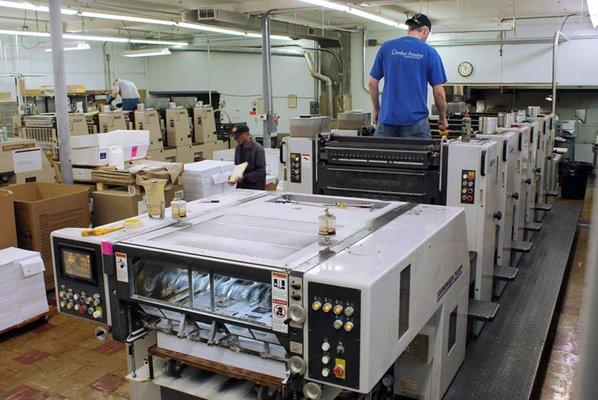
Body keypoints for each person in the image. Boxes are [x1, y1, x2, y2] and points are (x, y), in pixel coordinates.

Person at [368, 13, 448, 139]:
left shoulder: (386, 47)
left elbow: (372, 83)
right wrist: (442, 117)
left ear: (409, 28)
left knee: (384, 158)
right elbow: (438, 92)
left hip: (386, 120)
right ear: (425, 30)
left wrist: (377, 110)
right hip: (416, 122)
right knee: (417, 158)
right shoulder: (430, 52)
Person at [230, 124, 266, 190]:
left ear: (246, 134)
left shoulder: (258, 149)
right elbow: (238, 166)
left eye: (238, 136)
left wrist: (244, 177)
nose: (236, 139)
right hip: (241, 188)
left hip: (255, 188)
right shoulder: (238, 148)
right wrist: (234, 176)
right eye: (235, 137)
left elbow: (261, 172)